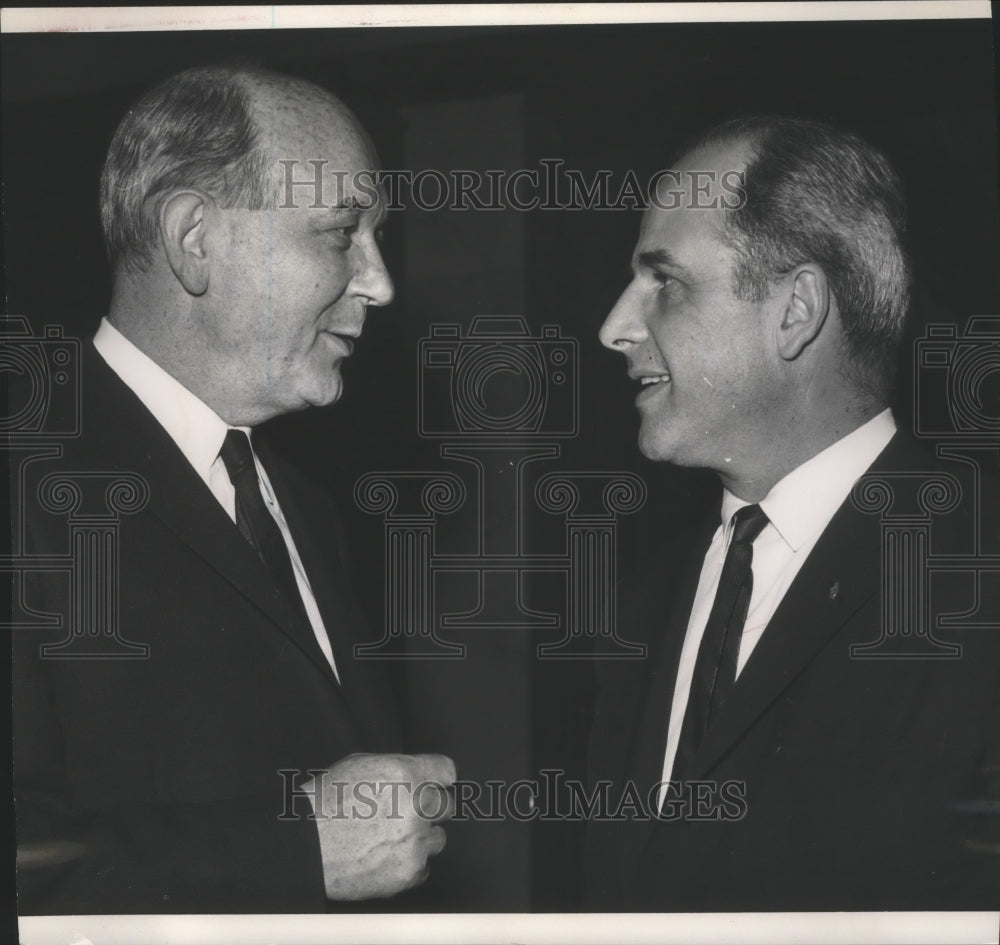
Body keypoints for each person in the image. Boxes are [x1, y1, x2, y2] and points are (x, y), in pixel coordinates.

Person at [12, 65, 454, 914]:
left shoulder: (309, 508)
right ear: (193, 238)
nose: (381, 282)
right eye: (339, 235)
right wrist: (293, 849)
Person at [585, 116, 999, 910]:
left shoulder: (975, 572)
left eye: (664, 281)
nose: (614, 327)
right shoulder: (642, 599)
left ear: (795, 309)